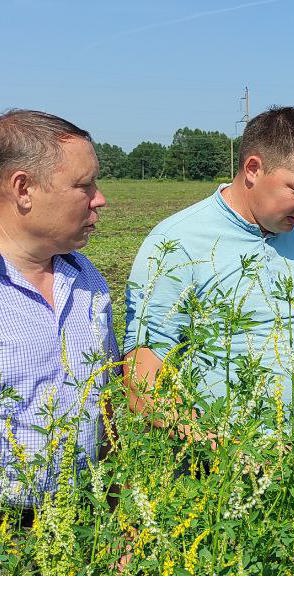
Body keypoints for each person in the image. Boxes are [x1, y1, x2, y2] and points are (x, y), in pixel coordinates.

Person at [123, 107, 294, 433]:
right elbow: (143, 369)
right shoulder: (176, 242)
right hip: (216, 468)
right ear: (253, 169)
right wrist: (210, 446)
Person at [0, 110, 118, 516]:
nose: (99, 198)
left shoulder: (87, 279)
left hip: (86, 519)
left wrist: (116, 509)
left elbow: (108, 403)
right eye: (84, 185)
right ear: (24, 189)